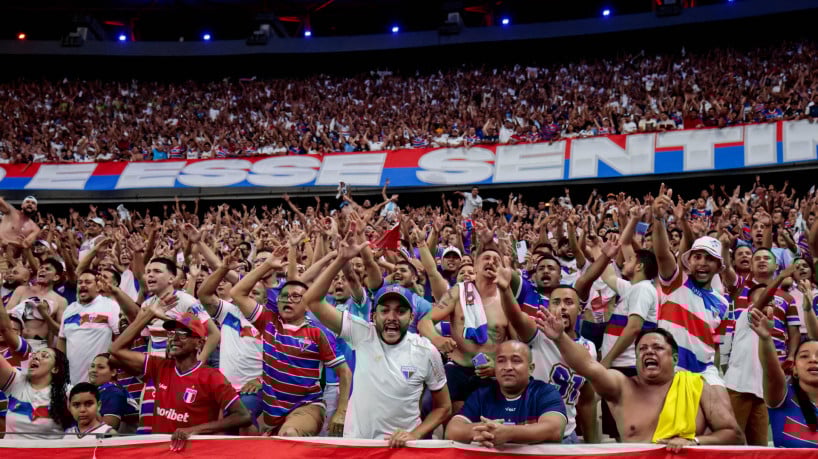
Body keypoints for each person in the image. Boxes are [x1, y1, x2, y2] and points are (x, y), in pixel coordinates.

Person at [303, 234, 451, 445]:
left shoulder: (426, 350)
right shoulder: (362, 334)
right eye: (385, 311)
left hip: (402, 449)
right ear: (374, 315)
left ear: (411, 317)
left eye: (400, 311)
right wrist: (340, 260)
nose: (391, 318)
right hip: (359, 445)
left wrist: (416, 434)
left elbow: (443, 407)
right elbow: (312, 301)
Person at [540, 310, 743, 449]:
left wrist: (694, 442)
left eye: (657, 348)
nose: (648, 352)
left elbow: (734, 435)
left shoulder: (699, 386)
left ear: (674, 358)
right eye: (642, 350)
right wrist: (560, 338)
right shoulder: (622, 387)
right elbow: (589, 366)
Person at [230, 253, 351, 437]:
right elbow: (237, 293)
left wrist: (341, 412)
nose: (288, 300)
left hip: (308, 407)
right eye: (284, 296)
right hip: (273, 414)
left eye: (296, 297)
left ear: (307, 304)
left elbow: (344, 372)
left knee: (289, 435)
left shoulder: (318, 333)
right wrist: (267, 266)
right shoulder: (268, 322)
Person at [110, 306, 251, 451]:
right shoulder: (159, 366)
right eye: (171, 333)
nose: (174, 338)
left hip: (194, 453)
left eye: (183, 334)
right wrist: (147, 316)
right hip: (163, 453)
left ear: (199, 343)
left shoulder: (212, 377)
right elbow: (115, 350)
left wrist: (194, 430)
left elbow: (243, 416)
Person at [496, 264, 597, 444]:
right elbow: (516, 318)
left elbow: (587, 400)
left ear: (580, 310)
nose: (562, 308)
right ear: (548, 308)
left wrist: (592, 446)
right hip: (531, 436)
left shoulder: (589, 348)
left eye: (569, 302)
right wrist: (505, 291)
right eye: (556, 302)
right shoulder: (539, 334)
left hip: (568, 436)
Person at [420, 244, 512, 415]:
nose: (491, 262)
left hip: (490, 373)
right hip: (457, 368)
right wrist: (437, 339)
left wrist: (498, 367)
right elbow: (425, 321)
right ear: (475, 266)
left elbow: (516, 344)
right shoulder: (459, 292)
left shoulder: (507, 300)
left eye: (496, 260)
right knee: (428, 404)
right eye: (486, 258)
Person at [445, 340, 567, 446]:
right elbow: (451, 432)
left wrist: (509, 433)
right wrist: (480, 430)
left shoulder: (545, 392)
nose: (508, 367)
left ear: (531, 368)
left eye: (516, 361)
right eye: (501, 361)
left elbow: (555, 431)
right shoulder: (481, 395)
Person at [196, 254, 263, 434]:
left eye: (255, 294)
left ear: (265, 300)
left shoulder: (269, 321)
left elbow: (280, 359)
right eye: (246, 292)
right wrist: (223, 269)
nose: (248, 297)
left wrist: (261, 380)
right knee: (218, 436)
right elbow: (203, 295)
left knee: (245, 423)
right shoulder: (230, 311)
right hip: (223, 389)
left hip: (252, 390)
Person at [749, 302, 818, 448]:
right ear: (794, 370)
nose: (813, 359)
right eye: (804, 356)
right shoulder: (783, 397)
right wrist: (766, 338)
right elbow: (771, 371)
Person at [57, 270, 121, 384]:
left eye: (87, 282)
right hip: (72, 379)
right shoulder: (69, 309)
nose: (82, 285)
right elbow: (62, 339)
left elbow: (119, 337)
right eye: (79, 282)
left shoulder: (110, 305)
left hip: (100, 379)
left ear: (97, 287)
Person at [0, 346, 73, 439]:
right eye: (34, 354)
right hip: (11, 452)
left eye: (44, 356)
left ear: (55, 369)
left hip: (47, 452)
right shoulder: (16, 381)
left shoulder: (66, 392)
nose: (36, 357)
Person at [8, 258, 68, 352]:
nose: (42, 270)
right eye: (41, 268)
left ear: (56, 277)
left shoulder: (60, 301)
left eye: (47, 269)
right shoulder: (21, 290)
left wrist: (45, 314)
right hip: (15, 341)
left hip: (38, 347)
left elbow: (60, 332)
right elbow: (6, 316)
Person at [87, 353, 139, 432]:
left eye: (101, 367)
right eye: (92, 366)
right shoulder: (106, 390)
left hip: (130, 441)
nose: (94, 370)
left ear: (113, 372)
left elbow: (108, 428)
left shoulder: (113, 392)